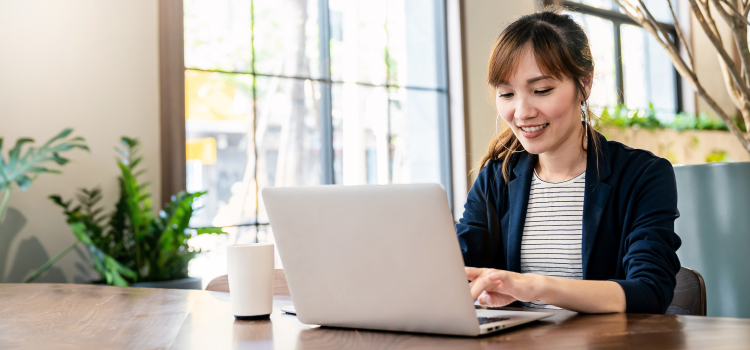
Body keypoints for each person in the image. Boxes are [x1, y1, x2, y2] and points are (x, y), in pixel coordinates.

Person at [456, 7, 682, 314]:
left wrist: (535, 286)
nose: (522, 112)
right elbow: (455, 270)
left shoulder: (642, 175)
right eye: (507, 94)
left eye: (541, 90)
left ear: (584, 84)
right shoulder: (497, 178)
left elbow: (649, 290)